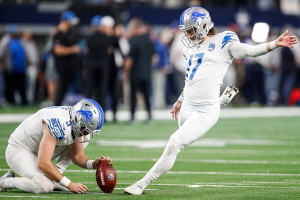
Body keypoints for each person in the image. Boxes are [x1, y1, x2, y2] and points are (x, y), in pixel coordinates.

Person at [124, 6, 297, 195]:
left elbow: (250, 51)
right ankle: (220, 100)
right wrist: (180, 99)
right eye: (186, 31)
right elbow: (192, 78)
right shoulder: (193, 47)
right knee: (176, 141)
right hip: (187, 106)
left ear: (203, 26)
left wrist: (274, 44)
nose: (188, 35)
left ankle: (142, 184)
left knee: (174, 143)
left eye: (190, 30)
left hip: (205, 111)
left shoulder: (224, 40)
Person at [0, 98, 110, 194]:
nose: (87, 133)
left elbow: (77, 156)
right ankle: (6, 181)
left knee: (83, 140)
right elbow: (43, 163)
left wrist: (94, 164)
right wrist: (69, 184)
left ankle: (53, 179)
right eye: (85, 129)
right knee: (44, 186)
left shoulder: (73, 118)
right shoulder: (58, 124)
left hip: (38, 150)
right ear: (78, 120)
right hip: (19, 150)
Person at [124, 18, 156, 124]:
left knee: (133, 97)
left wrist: (126, 72)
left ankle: (132, 117)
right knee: (147, 96)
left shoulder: (134, 41)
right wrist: (148, 67)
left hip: (135, 74)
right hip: (146, 73)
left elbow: (129, 60)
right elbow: (154, 58)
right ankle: (149, 117)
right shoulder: (149, 40)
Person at [84, 15, 111, 112]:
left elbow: (86, 51)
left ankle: (85, 112)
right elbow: (109, 50)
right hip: (103, 66)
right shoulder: (106, 37)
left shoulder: (89, 37)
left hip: (91, 65)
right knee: (102, 91)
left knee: (89, 90)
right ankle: (101, 113)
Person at [53, 10, 80, 106]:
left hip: (70, 66)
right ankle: (57, 106)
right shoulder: (59, 34)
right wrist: (72, 50)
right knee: (62, 87)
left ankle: (62, 105)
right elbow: (58, 50)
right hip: (62, 65)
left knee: (66, 88)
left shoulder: (69, 32)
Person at [0, 26, 28, 105]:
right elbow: (1, 55)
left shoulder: (20, 41)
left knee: (22, 86)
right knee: (10, 86)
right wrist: (4, 65)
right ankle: (10, 101)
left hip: (21, 68)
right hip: (11, 69)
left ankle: (24, 101)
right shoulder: (6, 41)